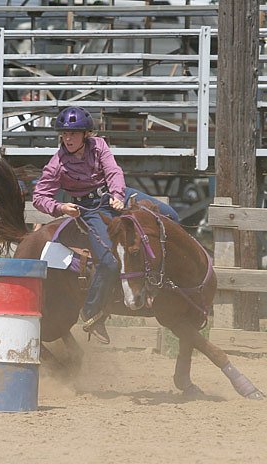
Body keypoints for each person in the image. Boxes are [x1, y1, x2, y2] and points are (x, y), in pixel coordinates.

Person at [32, 106, 179, 344]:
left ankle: (162, 283)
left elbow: (113, 172)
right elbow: (39, 196)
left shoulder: (99, 146)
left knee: (170, 217)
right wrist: (60, 208)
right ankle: (92, 312)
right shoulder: (56, 164)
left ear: (86, 134)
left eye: (74, 133)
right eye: (65, 134)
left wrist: (118, 195)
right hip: (90, 209)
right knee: (108, 262)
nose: (68, 138)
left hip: (116, 195)